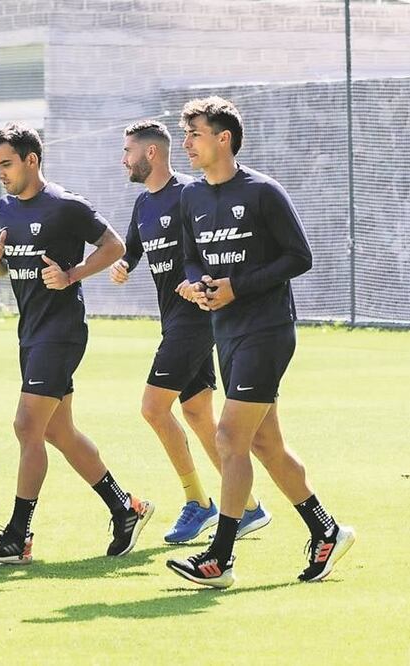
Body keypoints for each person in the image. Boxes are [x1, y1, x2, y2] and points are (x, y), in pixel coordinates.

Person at [167, 96, 355, 588]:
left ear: (223, 138)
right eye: (186, 135)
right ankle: (327, 530)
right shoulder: (190, 197)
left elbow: (299, 257)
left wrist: (238, 287)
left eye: (194, 135)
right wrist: (197, 283)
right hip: (226, 332)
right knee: (267, 444)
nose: (186, 144)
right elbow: (191, 256)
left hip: (267, 331)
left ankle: (220, 558)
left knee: (230, 438)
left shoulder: (264, 192)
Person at [0, 122, 153, 565]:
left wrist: (72, 275)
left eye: (7, 164)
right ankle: (125, 508)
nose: (0, 173)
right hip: (30, 332)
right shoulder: (5, 208)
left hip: (62, 331)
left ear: (31, 160)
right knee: (57, 431)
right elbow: (6, 271)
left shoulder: (66, 205)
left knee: (26, 427)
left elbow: (114, 246)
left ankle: (18, 536)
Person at [111, 120, 268, 543]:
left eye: (127, 151)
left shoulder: (190, 193)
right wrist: (124, 265)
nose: (123, 159)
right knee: (197, 413)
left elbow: (213, 247)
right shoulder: (143, 204)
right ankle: (248, 506)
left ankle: (198, 501)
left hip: (196, 318)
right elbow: (133, 249)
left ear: (150, 153)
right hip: (172, 319)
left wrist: (197, 281)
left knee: (153, 408)